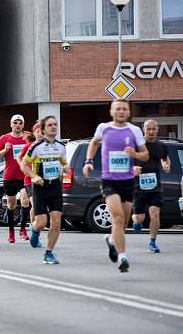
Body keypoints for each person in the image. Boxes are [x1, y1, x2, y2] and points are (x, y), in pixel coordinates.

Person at [83, 100, 148, 273]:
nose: (121, 111)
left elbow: (145, 155)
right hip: (109, 180)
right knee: (118, 218)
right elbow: (93, 143)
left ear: (128, 112)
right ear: (111, 111)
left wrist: (135, 154)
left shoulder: (134, 131)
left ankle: (112, 240)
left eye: (124, 109)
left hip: (127, 181)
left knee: (123, 222)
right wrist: (88, 162)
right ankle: (122, 257)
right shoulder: (103, 128)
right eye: (118, 108)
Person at [22, 116, 68, 264]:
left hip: (55, 187)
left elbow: (63, 163)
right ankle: (34, 230)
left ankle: (49, 252)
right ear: (43, 130)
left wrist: (65, 167)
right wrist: (33, 176)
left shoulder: (61, 146)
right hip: (40, 188)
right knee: (41, 222)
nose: (53, 127)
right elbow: (24, 164)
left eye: (55, 124)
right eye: (50, 125)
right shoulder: (36, 147)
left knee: (56, 221)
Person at [131, 119, 170, 253]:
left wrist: (166, 164)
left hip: (155, 186)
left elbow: (165, 157)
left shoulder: (161, 146)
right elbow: (127, 160)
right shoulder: (136, 145)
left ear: (157, 129)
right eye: (148, 129)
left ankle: (152, 243)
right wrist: (133, 168)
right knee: (138, 217)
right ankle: (136, 222)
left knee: (155, 213)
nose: (151, 132)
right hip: (138, 186)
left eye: (154, 129)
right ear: (143, 129)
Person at [0, 114, 28, 243]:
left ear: (23, 125)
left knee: (25, 201)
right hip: (10, 176)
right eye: (15, 122)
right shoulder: (4, 138)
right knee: (11, 204)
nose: (17, 125)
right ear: (11, 124)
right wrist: (5, 150)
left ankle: (23, 229)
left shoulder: (27, 137)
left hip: (24, 175)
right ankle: (11, 231)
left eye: (20, 123)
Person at [17, 124, 42, 242]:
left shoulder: (47, 146)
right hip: (30, 180)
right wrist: (25, 168)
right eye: (37, 131)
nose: (40, 133)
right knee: (35, 205)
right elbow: (19, 157)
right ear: (34, 133)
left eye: (42, 131)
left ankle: (34, 227)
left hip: (43, 180)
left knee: (40, 207)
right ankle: (33, 230)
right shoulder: (29, 146)